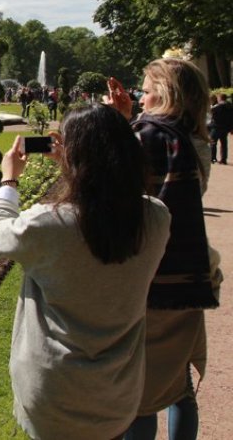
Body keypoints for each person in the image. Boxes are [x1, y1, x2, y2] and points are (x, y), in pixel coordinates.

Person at [0, 104, 172, 440]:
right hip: (117, 394)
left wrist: (9, 180)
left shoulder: (49, 224)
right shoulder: (156, 218)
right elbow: (102, 212)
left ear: (74, 156)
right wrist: (73, 169)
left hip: (55, 394)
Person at [107, 59, 218, 440]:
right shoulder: (194, 140)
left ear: (166, 94)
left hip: (152, 274)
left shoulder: (148, 135)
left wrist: (119, 128)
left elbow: (118, 190)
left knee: (139, 395)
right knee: (179, 384)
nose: (140, 97)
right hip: (191, 267)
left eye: (147, 89)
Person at [210, 93, 233, 164]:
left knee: (213, 143)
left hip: (217, 126)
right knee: (224, 144)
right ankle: (223, 159)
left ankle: (213, 158)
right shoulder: (230, 106)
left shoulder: (219, 105)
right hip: (225, 128)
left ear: (220, 98)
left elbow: (211, 110)